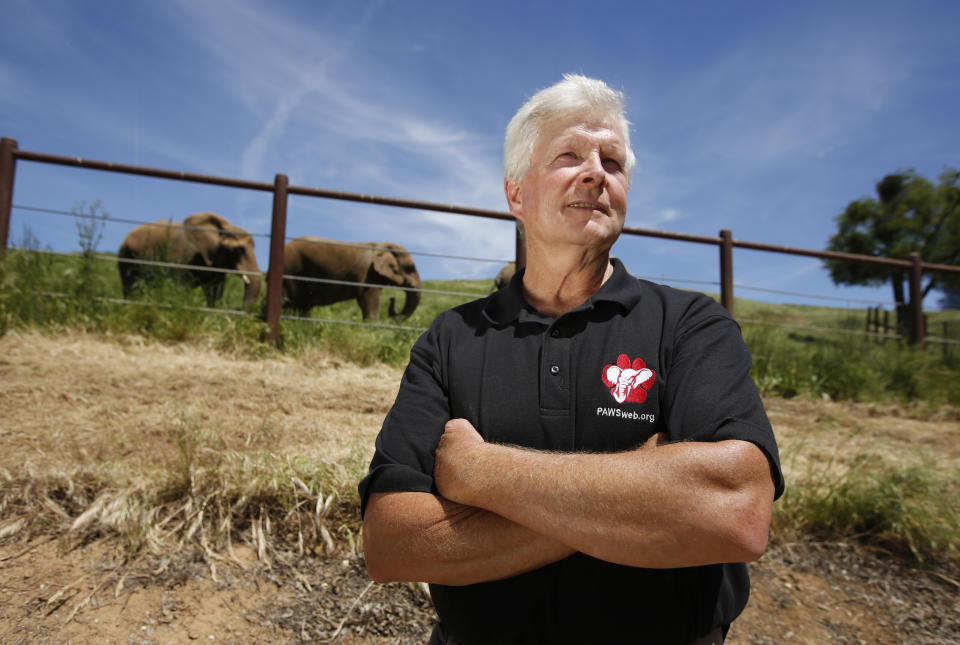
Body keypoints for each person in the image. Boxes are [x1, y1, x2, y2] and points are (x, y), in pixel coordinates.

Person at [359, 74, 784, 645]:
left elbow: (734, 512)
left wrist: (481, 474)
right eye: (568, 156)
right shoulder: (452, 337)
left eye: (613, 161)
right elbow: (392, 543)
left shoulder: (691, 324)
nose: (596, 173)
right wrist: (640, 491)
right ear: (515, 193)